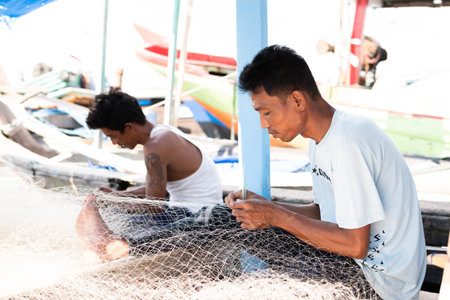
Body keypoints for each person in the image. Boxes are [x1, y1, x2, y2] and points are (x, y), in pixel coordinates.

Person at [225, 45, 426, 299]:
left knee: (279, 288)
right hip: (351, 260)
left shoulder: (347, 141)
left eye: (267, 112)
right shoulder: (321, 139)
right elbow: (324, 212)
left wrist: (276, 215)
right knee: (229, 220)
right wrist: (265, 207)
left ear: (298, 100)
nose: (264, 124)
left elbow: (355, 244)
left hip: (382, 281)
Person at [75, 88, 223, 262]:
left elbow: (154, 206)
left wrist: (111, 201)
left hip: (194, 217)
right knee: (104, 209)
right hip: (189, 210)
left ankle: (101, 250)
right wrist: (114, 195)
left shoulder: (156, 146)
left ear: (128, 127)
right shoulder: (163, 133)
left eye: (113, 136)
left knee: (111, 220)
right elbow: (160, 190)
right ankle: (99, 247)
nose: (114, 143)